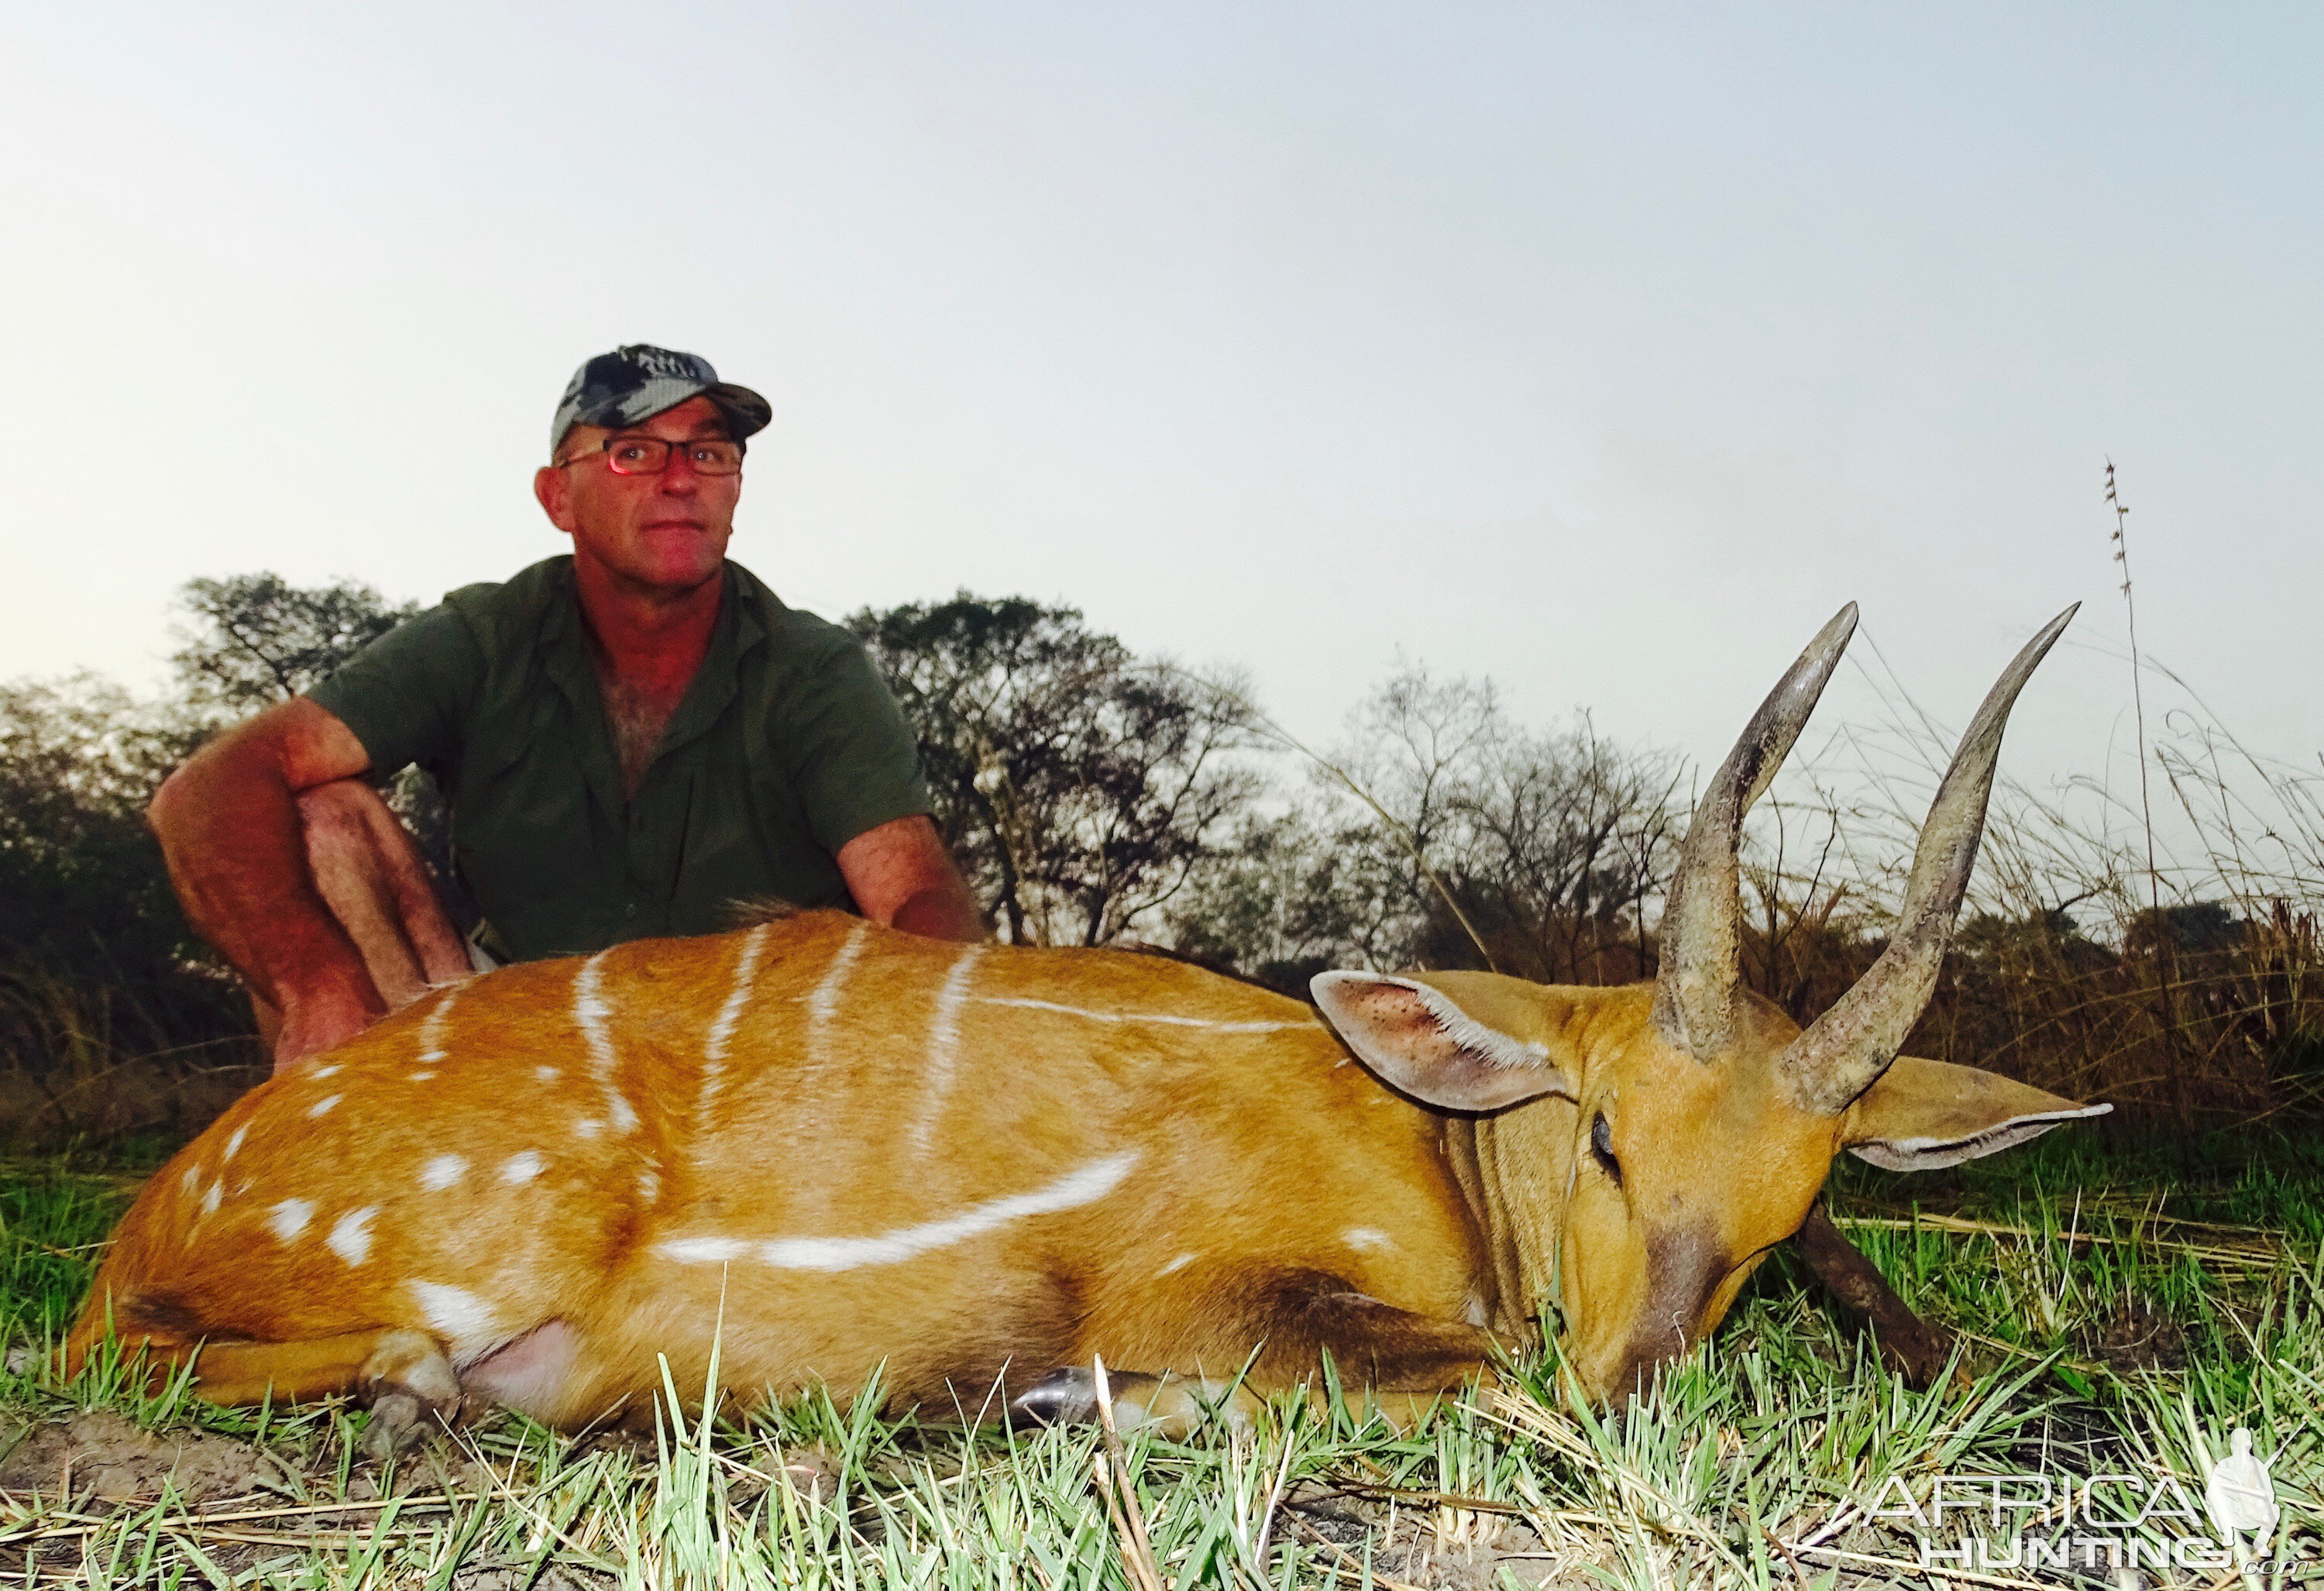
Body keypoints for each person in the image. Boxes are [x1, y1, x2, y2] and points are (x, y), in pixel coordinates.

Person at [150, 344, 985, 1072]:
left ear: (735, 490)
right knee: (321, 817)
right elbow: (208, 789)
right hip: (518, 1041)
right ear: (558, 497)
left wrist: (911, 1046)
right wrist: (318, 986)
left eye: (711, 454)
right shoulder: (482, 636)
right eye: (633, 452)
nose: (679, 480)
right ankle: (368, 1137)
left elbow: (913, 893)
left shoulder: (813, 666)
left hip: (748, 1059)